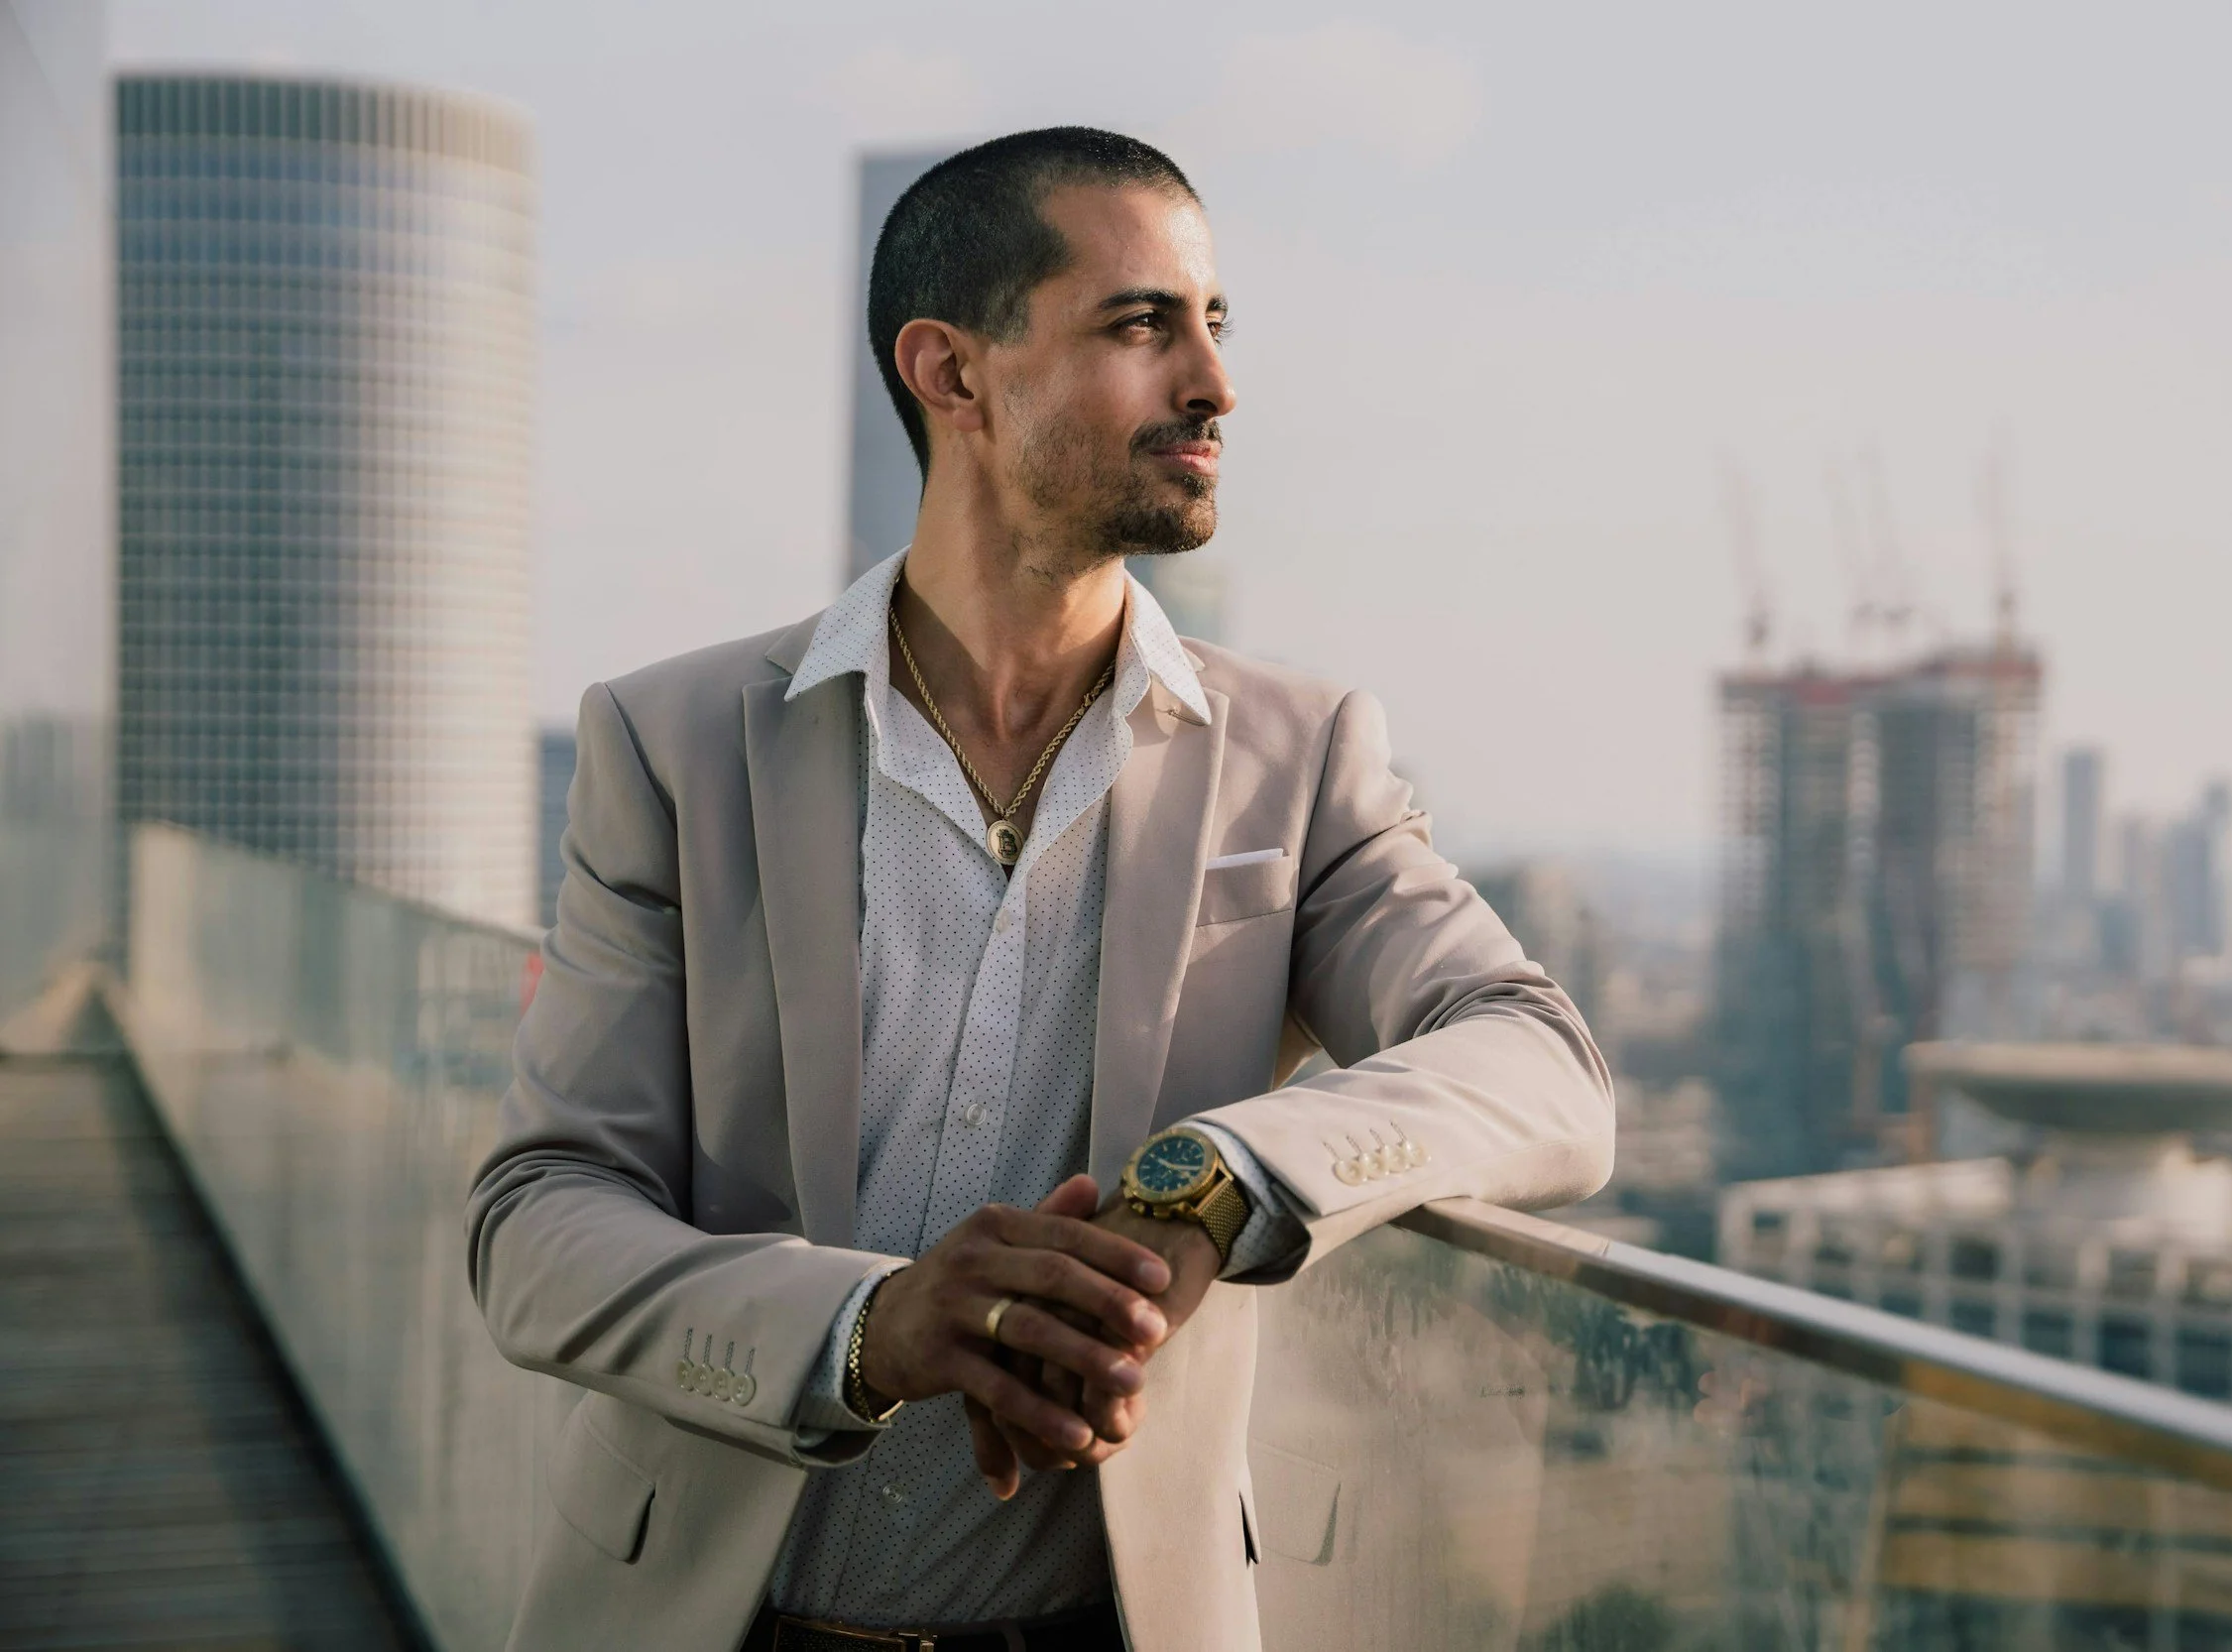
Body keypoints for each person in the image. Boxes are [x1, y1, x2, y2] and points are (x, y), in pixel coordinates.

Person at [466, 126, 1612, 1652]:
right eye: (1143, 325)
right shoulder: (674, 742)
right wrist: (866, 1327)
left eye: (1215, 324)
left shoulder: (1299, 754)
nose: (1212, 383)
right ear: (951, 373)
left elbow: (1547, 1070)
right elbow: (537, 1225)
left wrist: (1224, 1180)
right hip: (708, 1620)